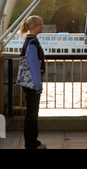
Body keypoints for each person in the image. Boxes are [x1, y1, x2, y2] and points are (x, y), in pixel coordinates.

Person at [19, 15, 46, 149]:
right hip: (32, 84)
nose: (42, 27)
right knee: (32, 114)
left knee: (31, 113)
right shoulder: (32, 43)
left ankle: (32, 142)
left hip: (28, 83)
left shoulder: (29, 40)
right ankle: (32, 143)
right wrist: (38, 85)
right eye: (41, 24)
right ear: (35, 26)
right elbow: (34, 65)